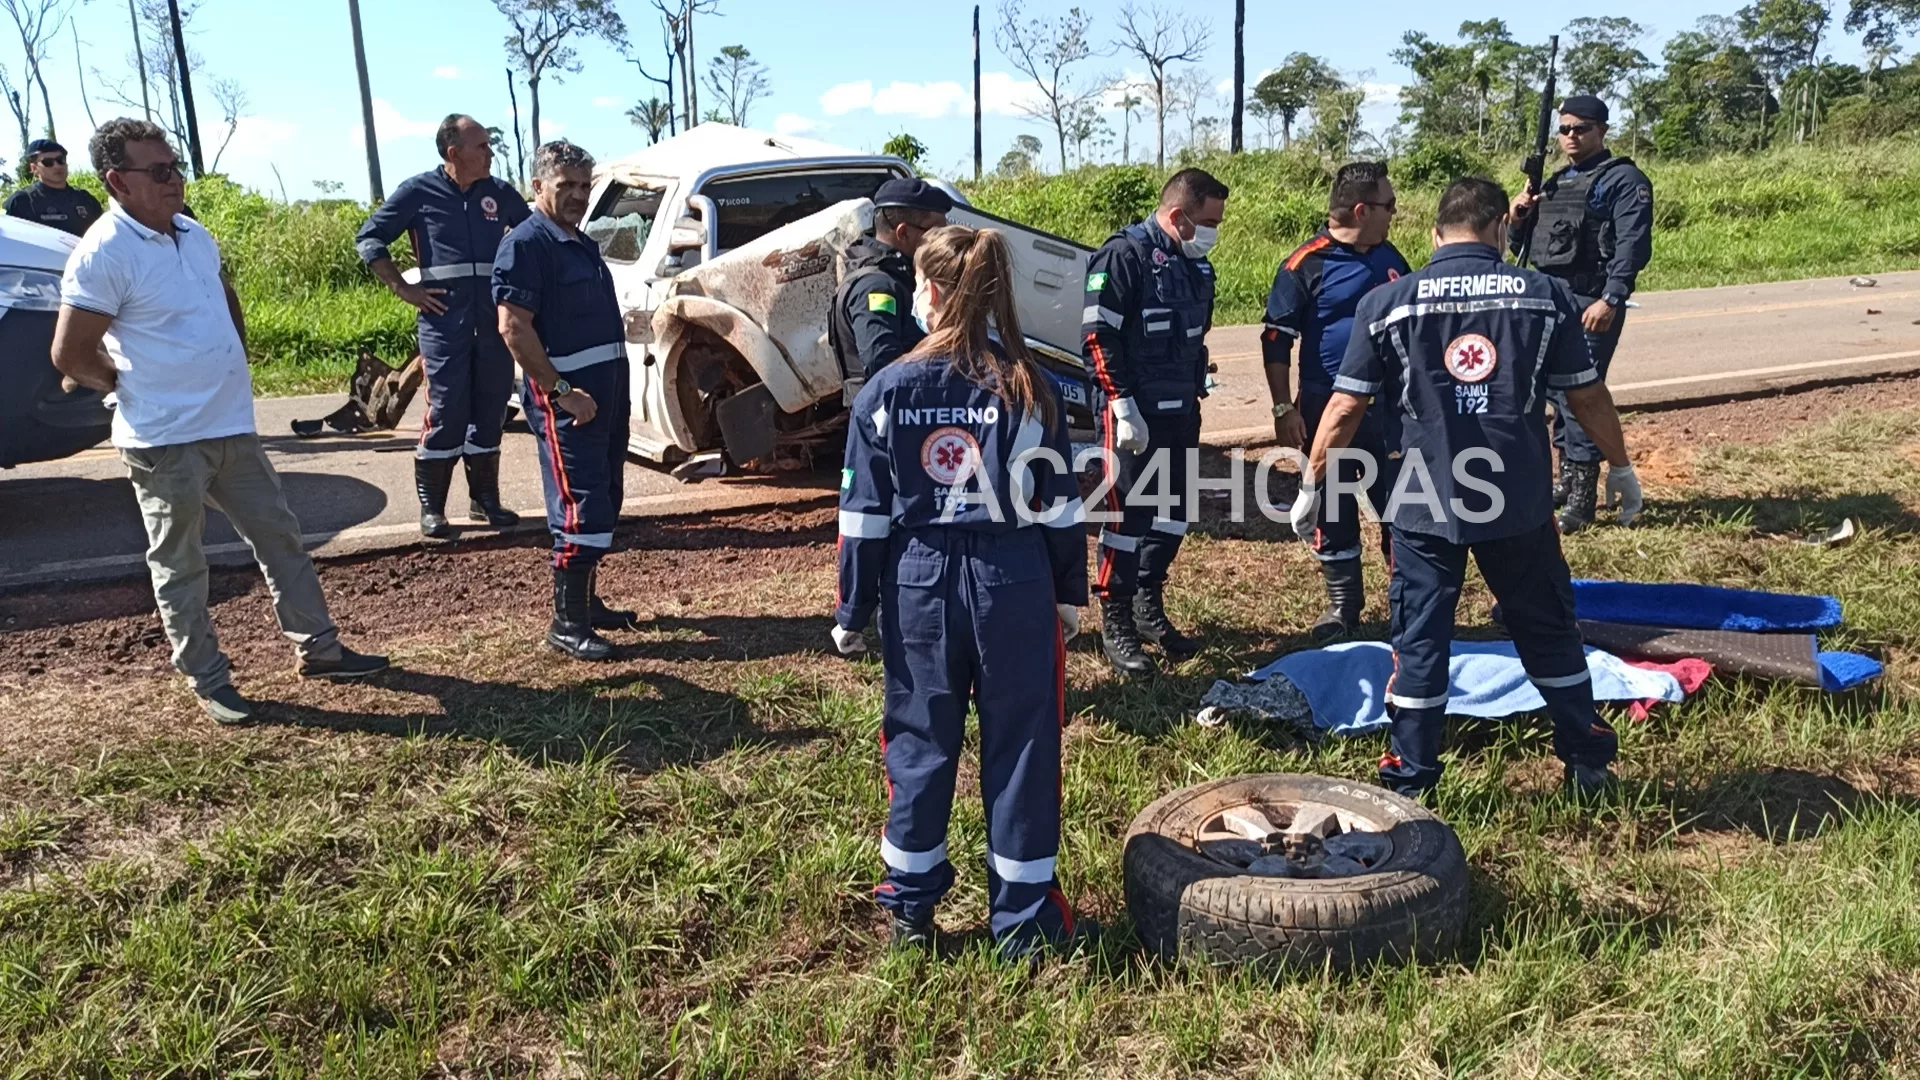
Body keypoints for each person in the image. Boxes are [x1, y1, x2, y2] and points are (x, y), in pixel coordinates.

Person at [1297, 176, 1643, 799]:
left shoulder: (1390, 302)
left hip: (1425, 499)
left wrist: (1310, 481)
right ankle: (1587, 761)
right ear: (1500, 229)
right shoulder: (1545, 296)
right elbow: (1585, 396)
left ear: (1435, 234)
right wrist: (1619, 466)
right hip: (1519, 497)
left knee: (1421, 634)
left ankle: (1413, 777)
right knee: (1547, 629)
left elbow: (1346, 409)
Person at [51, 118, 387, 725]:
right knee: (180, 564)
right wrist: (122, 383)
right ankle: (208, 679)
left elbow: (224, 294)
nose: (174, 179)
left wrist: (233, 348)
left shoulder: (193, 234)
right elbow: (70, 353)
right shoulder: (104, 251)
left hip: (230, 427)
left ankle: (321, 650)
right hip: (164, 440)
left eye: (175, 167)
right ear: (116, 180)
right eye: (158, 171)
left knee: (281, 538)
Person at [831, 223, 1093, 959]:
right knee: (1024, 747)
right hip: (1014, 579)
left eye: (918, 284)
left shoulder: (887, 390)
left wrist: (854, 609)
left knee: (919, 744)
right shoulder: (1028, 383)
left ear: (934, 292)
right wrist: (1069, 591)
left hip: (920, 583)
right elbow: (1059, 501)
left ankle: (910, 915)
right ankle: (1023, 923)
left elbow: (864, 516)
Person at [493, 140, 639, 662]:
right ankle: (566, 622)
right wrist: (561, 393)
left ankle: (587, 603)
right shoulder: (527, 245)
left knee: (604, 496)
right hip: (568, 401)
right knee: (580, 504)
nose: (578, 195)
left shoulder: (578, 240)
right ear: (538, 188)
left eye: (585, 185)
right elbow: (513, 328)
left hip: (605, 396)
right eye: (566, 186)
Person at [1081, 167, 1228, 677]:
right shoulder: (1123, 256)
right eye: (1208, 221)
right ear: (1177, 216)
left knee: (1174, 514)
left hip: (1180, 413)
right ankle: (1116, 617)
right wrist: (1121, 404)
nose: (1214, 232)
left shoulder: (1196, 267)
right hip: (1133, 418)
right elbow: (1099, 338)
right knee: (1128, 519)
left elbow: (1195, 337)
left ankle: (1147, 602)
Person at [357, 113, 531, 539]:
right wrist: (404, 288)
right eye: (482, 147)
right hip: (443, 323)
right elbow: (370, 239)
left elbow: (533, 238)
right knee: (448, 407)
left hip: (492, 323)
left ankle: (484, 501)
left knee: (491, 407)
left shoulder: (500, 194)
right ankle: (432, 509)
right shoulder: (419, 191)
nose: (491, 154)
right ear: (454, 153)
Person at [1263, 162, 1411, 643]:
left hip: (1391, 413)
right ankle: (1344, 607)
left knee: (1403, 508)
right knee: (1334, 508)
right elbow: (1275, 342)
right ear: (1363, 210)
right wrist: (1284, 409)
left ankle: (1407, 603)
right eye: (1389, 206)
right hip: (1328, 413)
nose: (1395, 213)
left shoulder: (1392, 258)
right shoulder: (1305, 265)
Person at [1508, 94, 1654, 533]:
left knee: (1582, 396)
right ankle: (1567, 481)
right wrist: (1518, 217)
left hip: (1591, 300)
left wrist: (1612, 298)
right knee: (1554, 395)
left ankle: (1584, 497)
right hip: (1552, 299)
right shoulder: (1553, 183)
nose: (1571, 137)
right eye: (1565, 129)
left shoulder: (1624, 180)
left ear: (1602, 130)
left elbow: (1633, 245)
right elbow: (1526, 249)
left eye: (1581, 129)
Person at [827, 177, 952, 399]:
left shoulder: (900, 275)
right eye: (936, 234)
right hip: (887, 425)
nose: (942, 242)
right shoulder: (876, 288)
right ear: (903, 233)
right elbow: (883, 368)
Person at [6, 138, 104, 236]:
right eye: (48, 162)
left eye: (60, 160)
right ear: (34, 168)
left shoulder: (85, 199)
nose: (57, 166)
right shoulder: (22, 202)